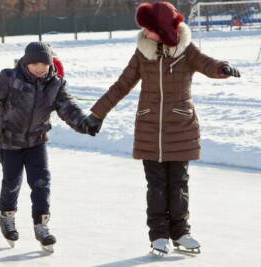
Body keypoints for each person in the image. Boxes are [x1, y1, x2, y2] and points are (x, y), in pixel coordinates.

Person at [84, 1, 240, 256]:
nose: (145, 33)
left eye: (149, 28)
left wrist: (221, 68)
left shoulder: (186, 50)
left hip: (181, 128)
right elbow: (122, 84)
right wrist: (97, 114)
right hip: (150, 130)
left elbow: (206, 63)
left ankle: (181, 232)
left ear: (164, 28)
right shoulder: (142, 53)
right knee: (156, 186)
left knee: (178, 184)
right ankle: (158, 235)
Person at [0, 41, 91, 252]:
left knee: (41, 182)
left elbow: (68, 107)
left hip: (36, 141)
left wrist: (83, 122)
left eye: (44, 63)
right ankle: (7, 216)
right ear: (26, 63)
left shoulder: (56, 84)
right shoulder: (10, 78)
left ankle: (41, 225)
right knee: (12, 181)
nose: (40, 68)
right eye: (35, 63)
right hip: (8, 140)